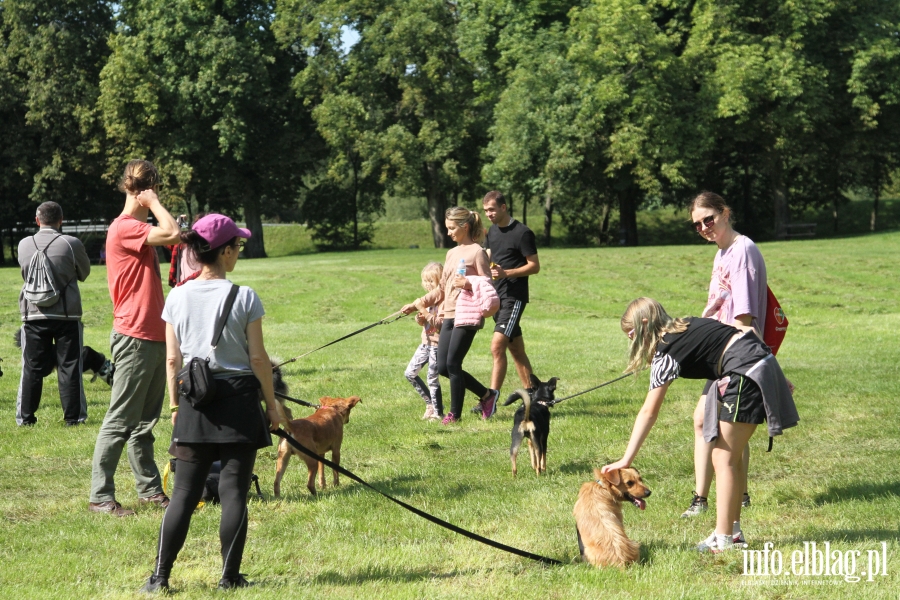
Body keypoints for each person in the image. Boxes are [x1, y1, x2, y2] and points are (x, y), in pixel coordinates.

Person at [141, 214, 286, 593]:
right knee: (234, 490)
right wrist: (271, 406)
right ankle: (229, 576)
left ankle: (160, 577)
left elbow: (173, 361)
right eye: (236, 246)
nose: (238, 252)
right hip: (238, 401)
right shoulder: (245, 296)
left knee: (184, 495)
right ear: (223, 251)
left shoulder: (177, 295)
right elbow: (258, 360)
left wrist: (174, 407)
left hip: (194, 402)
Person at [603, 298, 797, 553]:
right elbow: (744, 333)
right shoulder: (688, 324)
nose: (631, 340)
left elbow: (649, 411)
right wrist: (776, 374)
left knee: (723, 458)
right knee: (731, 457)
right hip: (759, 365)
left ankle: (723, 539)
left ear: (644, 323)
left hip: (746, 373)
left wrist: (625, 460)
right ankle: (733, 534)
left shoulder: (666, 350)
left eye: (631, 334)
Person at [89, 160, 182, 517]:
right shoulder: (125, 227)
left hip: (154, 334)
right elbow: (173, 232)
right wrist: (155, 203)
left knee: (145, 423)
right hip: (134, 335)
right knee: (120, 420)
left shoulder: (137, 229)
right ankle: (100, 497)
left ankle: (150, 491)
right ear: (147, 188)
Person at [682, 192, 767, 520]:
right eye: (698, 224)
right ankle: (731, 495)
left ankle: (707, 500)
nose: (704, 227)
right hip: (720, 350)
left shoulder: (742, 250)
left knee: (713, 421)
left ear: (724, 213)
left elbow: (743, 315)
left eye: (709, 219)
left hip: (734, 349)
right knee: (718, 421)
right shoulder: (722, 254)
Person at [401, 207, 497, 424]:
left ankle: (454, 414)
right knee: (443, 367)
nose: (449, 232)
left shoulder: (477, 252)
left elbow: (488, 285)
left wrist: (469, 283)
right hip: (448, 315)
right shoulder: (451, 253)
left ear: (465, 227)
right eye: (447, 228)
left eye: (452, 228)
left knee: (453, 363)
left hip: (468, 314)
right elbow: (441, 290)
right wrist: (417, 305)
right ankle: (487, 395)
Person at [16, 201, 91, 426]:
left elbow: (24, 273)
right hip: (66, 314)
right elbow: (84, 273)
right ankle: (73, 418)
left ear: (37, 220)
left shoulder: (23, 244)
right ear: (61, 220)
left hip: (33, 313)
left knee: (31, 367)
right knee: (70, 366)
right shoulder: (71, 243)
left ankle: (26, 418)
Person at [475, 191, 540, 414]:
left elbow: (534, 266)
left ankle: (489, 400)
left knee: (497, 346)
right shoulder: (492, 232)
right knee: (516, 350)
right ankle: (535, 396)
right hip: (497, 297)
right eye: (486, 211)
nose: (489, 214)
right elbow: (491, 257)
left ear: (504, 207)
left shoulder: (522, 233)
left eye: (492, 209)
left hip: (514, 298)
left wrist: (507, 273)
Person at [404, 261, 444, 421]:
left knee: (432, 379)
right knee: (410, 373)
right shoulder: (426, 302)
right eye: (425, 281)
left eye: (431, 281)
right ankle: (430, 404)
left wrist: (423, 311)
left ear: (441, 281)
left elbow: (441, 325)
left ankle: (438, 413)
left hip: (437, 345)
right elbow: (425, 322)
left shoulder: (443, 302)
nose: (427, 285)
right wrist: (420, 319)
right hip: (425, 344)